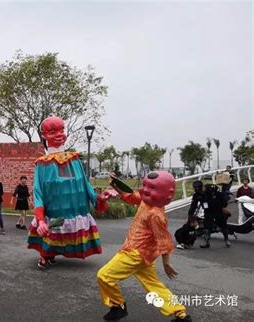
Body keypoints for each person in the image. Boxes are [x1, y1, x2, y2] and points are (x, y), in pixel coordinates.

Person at [97, 171, 191, 322]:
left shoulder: (155, 214)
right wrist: (115, 184)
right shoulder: (146, 200)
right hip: (143, 255)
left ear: (165, 193)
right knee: (153, 285)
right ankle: (181, 314)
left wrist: (166, 263)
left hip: (134, 253)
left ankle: (118, 306)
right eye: (145, 185)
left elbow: (163, 239)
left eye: (152, 187)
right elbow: (130, 197)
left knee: (104, 276)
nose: (146, 190)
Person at [28, 116, 110, 269]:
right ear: (44, 135)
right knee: (52, 231)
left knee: (60, 231)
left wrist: (99, 198)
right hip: (53, 212)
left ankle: (51, 254)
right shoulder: (42, 164)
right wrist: (40, 220)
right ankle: (46, 255)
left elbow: (86, 185)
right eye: (53, 132)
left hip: (74, 211)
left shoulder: (75, 160)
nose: (59, 135)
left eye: (61, 130)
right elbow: (38, 192)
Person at [199, 184, 231, 248]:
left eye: (205, 188)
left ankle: (226, 239)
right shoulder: (204, 195)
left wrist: (223, 207)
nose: (204, 189)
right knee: (207, 227)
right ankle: (206, 242)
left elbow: (224, 203)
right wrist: (206, 207)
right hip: (209, 212)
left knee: (223, 225)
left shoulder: (220, 195)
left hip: (219, 212)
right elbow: (203, 203)